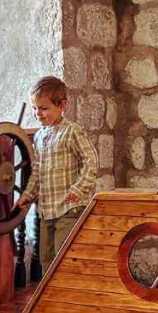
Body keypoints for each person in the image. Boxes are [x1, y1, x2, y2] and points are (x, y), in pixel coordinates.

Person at [18, 76, 98, 274]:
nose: (38, 113)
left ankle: (68, 300)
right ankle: (50, 301)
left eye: (44, 108)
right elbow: (37, 171)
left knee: (64, 258)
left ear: (62, 105)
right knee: (46, 259)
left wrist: (78, 189)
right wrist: (28, 195)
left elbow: (91, 160)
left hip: (69, 208)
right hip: (47, 210)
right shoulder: (39, 136)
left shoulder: (72, 132)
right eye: (35, 108)